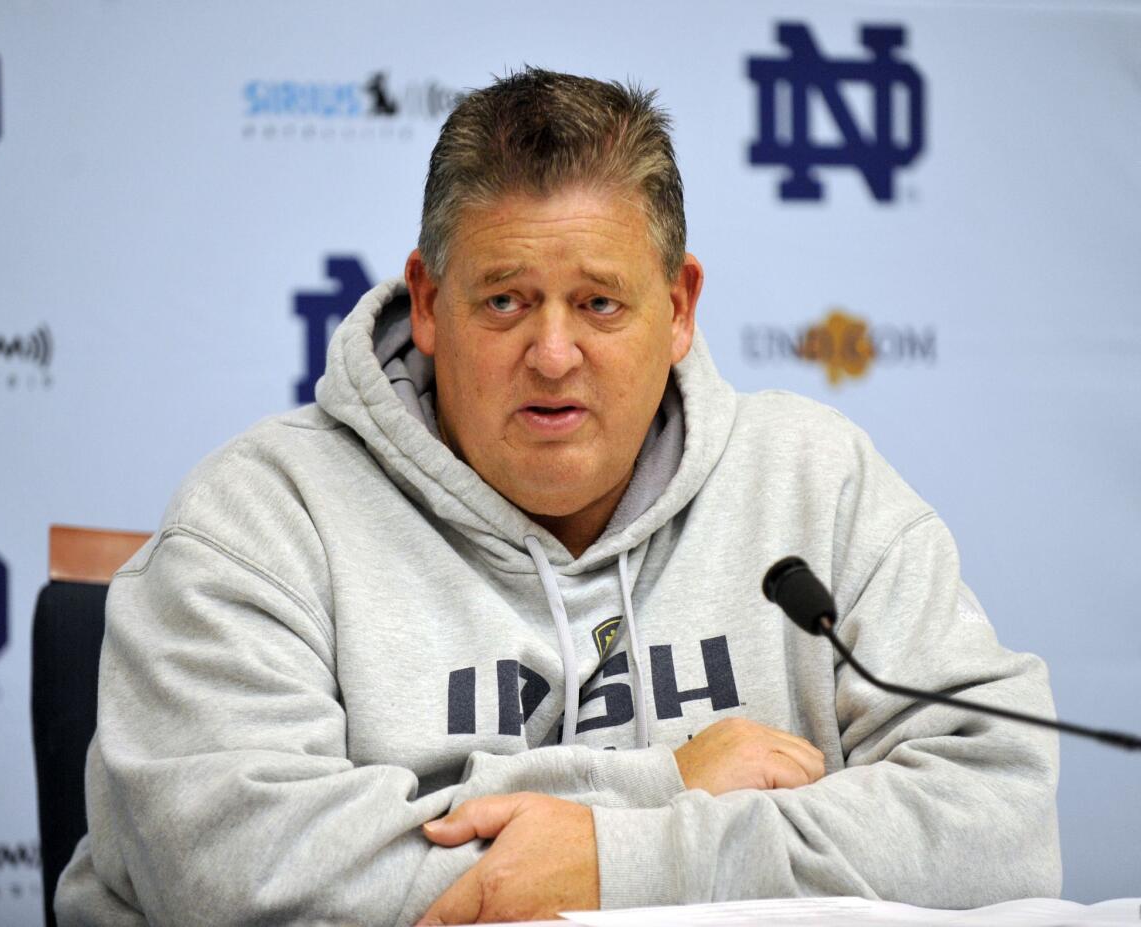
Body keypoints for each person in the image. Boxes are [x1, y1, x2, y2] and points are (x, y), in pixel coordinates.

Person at [56, 68, 1060, 926]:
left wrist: (621, 858)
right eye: (503, 300)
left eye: (597, 303)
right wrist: (669, 788)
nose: (551, 354)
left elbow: (999, 825)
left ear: (677, 310)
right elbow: (239, 877)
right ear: (427, 303)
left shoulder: (818, 485)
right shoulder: (259, 519)